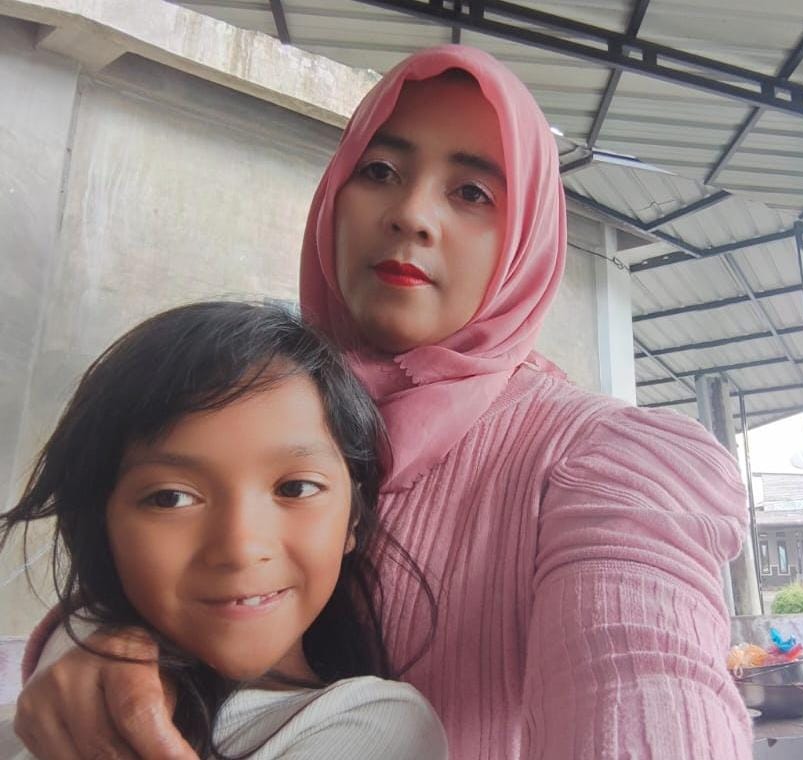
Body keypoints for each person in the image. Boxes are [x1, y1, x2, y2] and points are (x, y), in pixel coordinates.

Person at [15, 45, 753, 758]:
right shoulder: (253, 398)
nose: (410, 214)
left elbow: (643, 673)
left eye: (472, 192)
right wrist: (104, 642)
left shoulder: (608, 464)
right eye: (379, 171)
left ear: (527, 236)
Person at [1, 301, 447, 759]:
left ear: (353, 515)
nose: (240, 547)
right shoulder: (48, 704)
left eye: (295, 488)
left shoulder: (373, 727)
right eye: (171, 498)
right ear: (102, 522)